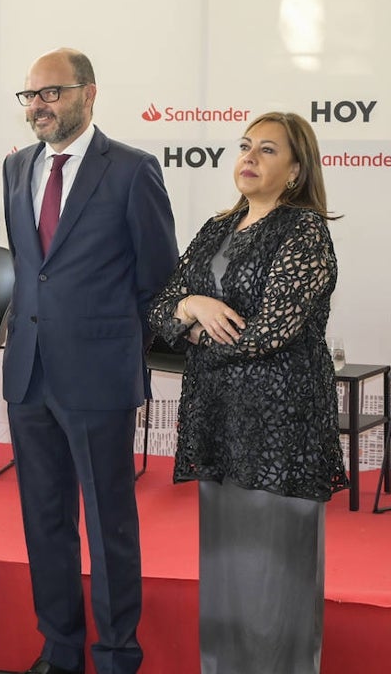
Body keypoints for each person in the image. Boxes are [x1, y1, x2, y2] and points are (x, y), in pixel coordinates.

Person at [147, 111, 345, 673]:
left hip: (282, 421)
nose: (249, 158)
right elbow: (161, 309)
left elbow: (270, 332)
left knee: (279, 568)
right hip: (219, 416)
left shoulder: (304, 230)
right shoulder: (216, 228)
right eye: (244, 146)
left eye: (267, 150)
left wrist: (191, 327)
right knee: (228, 561)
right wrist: (192, 306)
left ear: (296, 169)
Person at [1, 48, 177, 674]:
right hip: (28, 373)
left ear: (89, 94)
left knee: (108, 527)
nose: (38, 105)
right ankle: (60, 651)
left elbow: (157, 276)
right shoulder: (16, 165)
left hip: (97, 375)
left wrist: (104, 336)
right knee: (44, 522)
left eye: (51, 92)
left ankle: (116, 656)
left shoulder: (131, 170)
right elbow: (31, 269)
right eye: (29, 95)